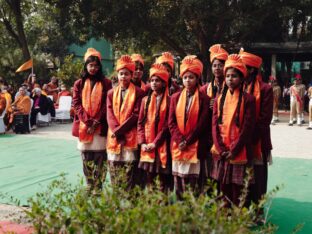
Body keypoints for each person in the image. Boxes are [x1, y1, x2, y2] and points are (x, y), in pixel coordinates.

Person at [210, 54, 256, 206]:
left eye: (234, 76)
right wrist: (220, 147)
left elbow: (247, 128)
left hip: (239, 150)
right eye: (228, 76)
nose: (230, 79)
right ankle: (224, 214)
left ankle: (238, 217)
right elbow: (214, 125)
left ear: (242, 78)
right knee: (223, 184)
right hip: (222, 150)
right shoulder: (218, 99)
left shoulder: (248, 99)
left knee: (238, 186)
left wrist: (234, 149)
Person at [168, 55, 210, 199]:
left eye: (191, 77)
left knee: (194, 181)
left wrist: (188, 141)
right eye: (185, 77)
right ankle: (181, 208)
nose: (188, 80)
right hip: (178, 144)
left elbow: (202, 124)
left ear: (197, 78)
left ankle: (194, 209)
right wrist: (180, 140)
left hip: (196, 144)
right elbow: (171, 122)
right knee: (179, 179)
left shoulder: (204, 98)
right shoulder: (175, 97)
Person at [72, 48, 112, 194]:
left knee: (100, 156)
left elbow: (106, 105)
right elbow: (76, 104)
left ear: (100, 66)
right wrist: (88, 122)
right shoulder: (79, 83)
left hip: (100, 126)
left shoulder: (106, 83)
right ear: (86, 66)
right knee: (86, 156)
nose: (93, 68)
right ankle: (90, 183)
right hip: (84, 125)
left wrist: (96, 122)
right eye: (91, 65)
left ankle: (99, 185)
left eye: (96, 65)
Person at [239, 49, 273, 210]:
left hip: (257, 141)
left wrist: (248, 138)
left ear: (251, 70)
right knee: (241, 177)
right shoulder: (236, 87)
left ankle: (258, 211)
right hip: (238, 141)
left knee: (258, 177)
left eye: (243, 67)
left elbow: (265, 119)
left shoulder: (265, 89)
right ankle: (243, 209)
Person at [106, 55, 145, 190]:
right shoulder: (111, 93)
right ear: (117, 74)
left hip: (129, 135)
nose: (123, 77)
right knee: (114, 167)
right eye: (121, 74)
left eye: (127, 74)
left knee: (129, 169)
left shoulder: (139, 92)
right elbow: (109, 114)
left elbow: (136, 115)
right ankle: (117, 196)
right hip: (115, 136)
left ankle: (130, 197)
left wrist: (119, 132)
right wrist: (117, 132)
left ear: (131, 75)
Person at [137, 63, 173, 192]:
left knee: (163, 180)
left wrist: (155, 143)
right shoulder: (145, 100)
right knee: (149, 179)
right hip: (147, 144)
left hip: (162, 145)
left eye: (157, 80)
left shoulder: (170, 100)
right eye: (152, 80)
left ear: (164, 83)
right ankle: (151, 206)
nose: (153, 83)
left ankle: (163, 207)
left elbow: (167, 126)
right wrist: (142, 143)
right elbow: (140, 123)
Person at [200, 44, 228, 109]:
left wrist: (217, 103)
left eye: (220, 65)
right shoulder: (204, 89)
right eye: (214, 66)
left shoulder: (231, 87)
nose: (217, 68)